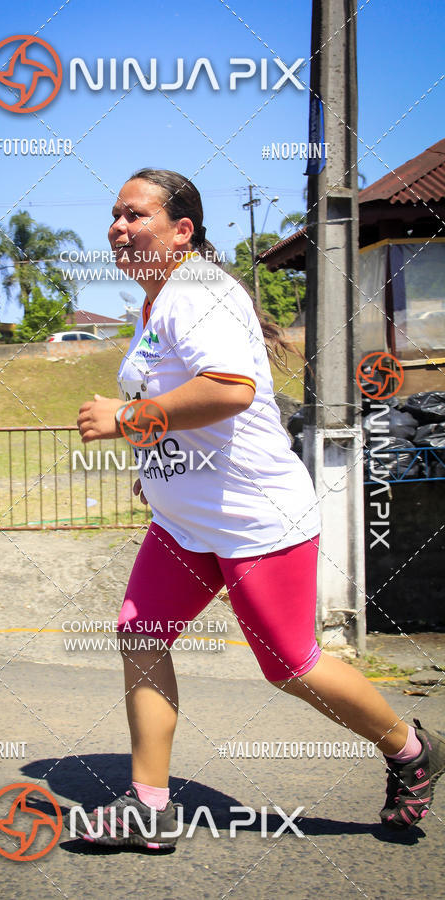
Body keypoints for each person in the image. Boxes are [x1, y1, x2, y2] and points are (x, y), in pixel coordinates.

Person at [76, 168, 444, 848]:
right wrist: (161, 466)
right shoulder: (160, 301)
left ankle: (410, 749)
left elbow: (232, 389)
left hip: (254, 518)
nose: (118, 229)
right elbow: (191, 409)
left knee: (290, 665)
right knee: (141, 633)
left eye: (136, 216)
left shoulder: (198, 294)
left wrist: (129, 417)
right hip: (186, 522)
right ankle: (149, 807)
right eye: (115, 216)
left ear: (182, 231)